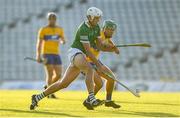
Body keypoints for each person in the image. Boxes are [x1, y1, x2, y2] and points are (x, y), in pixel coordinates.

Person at [30, 7, 116, 110]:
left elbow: (100, 46)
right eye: (96, 18)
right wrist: (98, 65)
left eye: (99, 18)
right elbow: (88, 51)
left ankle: (37, 97)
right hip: (75, 52)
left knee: (63, 84)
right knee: (89, 69)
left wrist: (111, 47)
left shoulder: (97, 28)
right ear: (89, 17)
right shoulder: (83, 28)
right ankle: (92, 99)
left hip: (81, 56)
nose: (98, 20)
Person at [83, 20, 121, 110]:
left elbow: (110, 44)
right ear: (104, 29)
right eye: (109, 30)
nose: (111, 32)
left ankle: (108, 101)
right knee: (99, 84)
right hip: (86, 61)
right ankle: (89, 101)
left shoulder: (107, 37)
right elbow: (102, 47)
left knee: (112, 78)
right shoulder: (98, 34)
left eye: (113, 30)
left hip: (96, 61)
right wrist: (112, 49)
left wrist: (114, 48)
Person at [36, 12, 66, 98]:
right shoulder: (43, 29)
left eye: (54, 19)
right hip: (46, 54)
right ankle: (50, 93)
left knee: (59, 74)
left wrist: (62, 41)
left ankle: (47, 88)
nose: (52, 21)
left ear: (56, 20)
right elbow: (39, 43)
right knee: (50, 73)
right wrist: (38, 55)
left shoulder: (60, 29)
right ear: (48, 20)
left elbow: (62, 39)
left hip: (56, 54)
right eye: (50, 19)